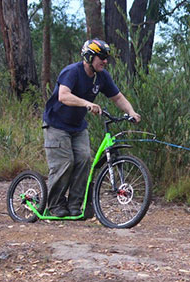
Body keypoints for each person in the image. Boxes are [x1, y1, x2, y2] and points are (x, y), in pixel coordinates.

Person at [42, 39, 141, 218]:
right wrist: (87, 103)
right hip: (56, 125)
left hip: (78, 126)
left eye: (106, 58)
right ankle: (55, 205)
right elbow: (63, 96)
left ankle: (75, 205)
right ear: (89, 57)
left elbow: (117, 97)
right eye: (101, 57)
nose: (105, 61)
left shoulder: (102, 77)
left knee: (84, 160)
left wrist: (131, 112)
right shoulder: (72, 72)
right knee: (65, 163)